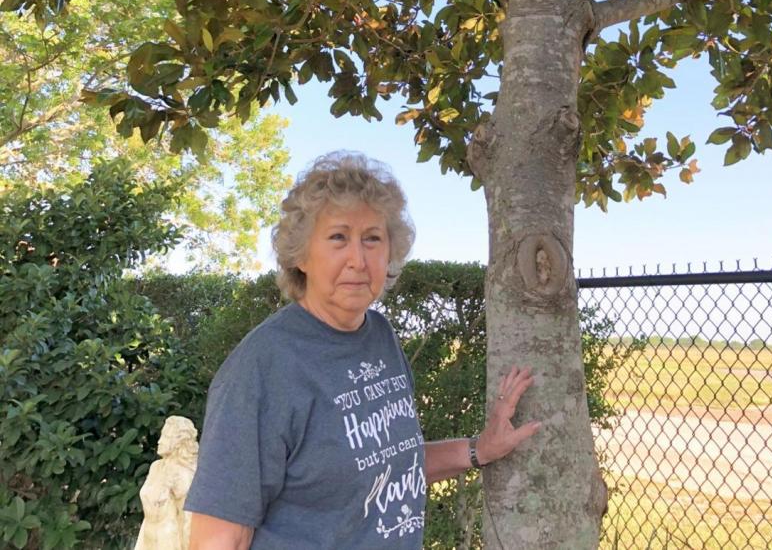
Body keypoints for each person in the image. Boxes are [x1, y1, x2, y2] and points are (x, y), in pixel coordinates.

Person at [186, 152, 539, 549]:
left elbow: (388, 465)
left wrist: (479, 449)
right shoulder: (263, 367)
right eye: (338, 237)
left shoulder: (380, 336)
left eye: (372, 238)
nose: (358, 259)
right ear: (301, 255)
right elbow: (219, 537)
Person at [135, 415, 198, 550]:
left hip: (169, 541)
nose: (160, 441)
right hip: (148, 538)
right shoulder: (156, 467)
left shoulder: (182, 474)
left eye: (166, 436)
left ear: (179, 441)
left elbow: (187, 520)